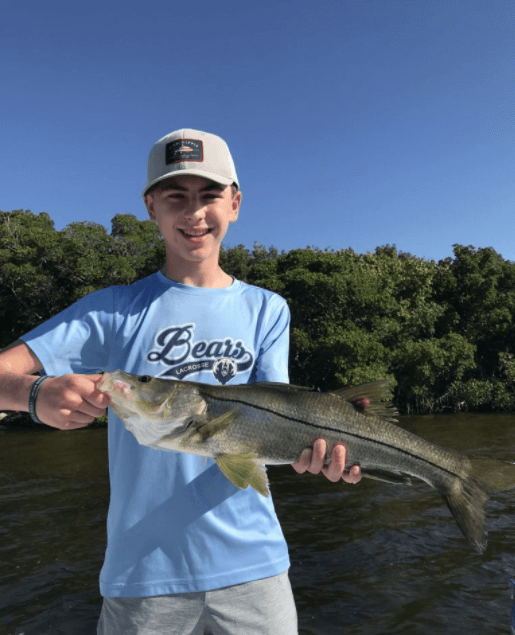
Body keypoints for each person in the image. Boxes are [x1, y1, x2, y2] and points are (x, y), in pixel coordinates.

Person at [0, 129, 362, 635]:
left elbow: (281, 418)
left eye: (209, 194)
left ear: (234, 203)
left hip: (256, 568)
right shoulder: (112, 310)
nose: (194, 212)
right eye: (176, 196)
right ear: (151, 207)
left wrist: (318, 454)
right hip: (142, 577)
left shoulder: (267, 310)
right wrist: (33, 395)